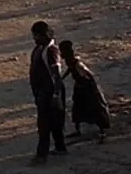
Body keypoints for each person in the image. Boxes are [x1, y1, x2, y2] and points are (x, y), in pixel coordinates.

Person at [29, 21, 66, 164]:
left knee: (44, 124)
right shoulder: (39, 49)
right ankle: (60, 147)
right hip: (42, 92)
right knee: (55, 121)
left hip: (49, 92)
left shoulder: (51, 51)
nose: (34, 38)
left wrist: (56, 95)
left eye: (36, 35)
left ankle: (41, 155)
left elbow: (56, 75)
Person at [59, 40, 110, 142]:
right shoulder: (71, 61)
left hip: (87, 89)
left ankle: (102, 132)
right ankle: (79, 129)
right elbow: (70, 69)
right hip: (80, 87)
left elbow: (89, 75)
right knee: (77, 108)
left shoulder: (78, 64)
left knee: (95, 108)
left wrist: (92, 87)